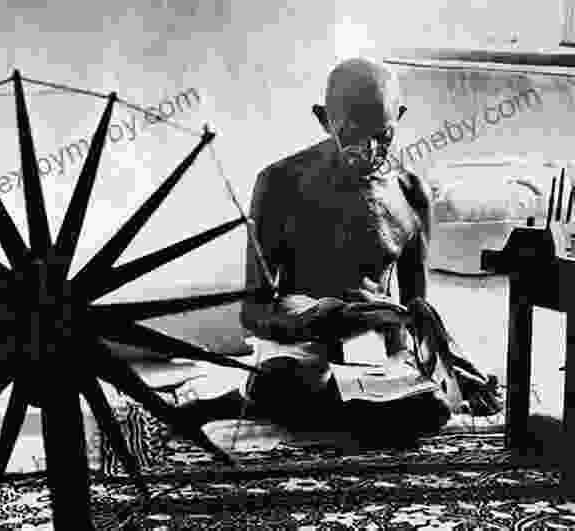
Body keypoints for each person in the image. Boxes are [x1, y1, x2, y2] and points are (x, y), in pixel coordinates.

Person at [178, 57, 464, 440]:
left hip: (376, 363)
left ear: (400, 116)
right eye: (353, 134)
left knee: (434, 410)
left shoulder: (412, 194)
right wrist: (309, 321)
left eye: (384, 135)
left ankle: (253, 407)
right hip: (300, 355)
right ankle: (283, 404)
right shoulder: (279, 184)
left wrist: (444, 358)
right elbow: (253, 311)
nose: (370, 149)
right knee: (288, 382)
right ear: (323, 119)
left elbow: (417, 311)